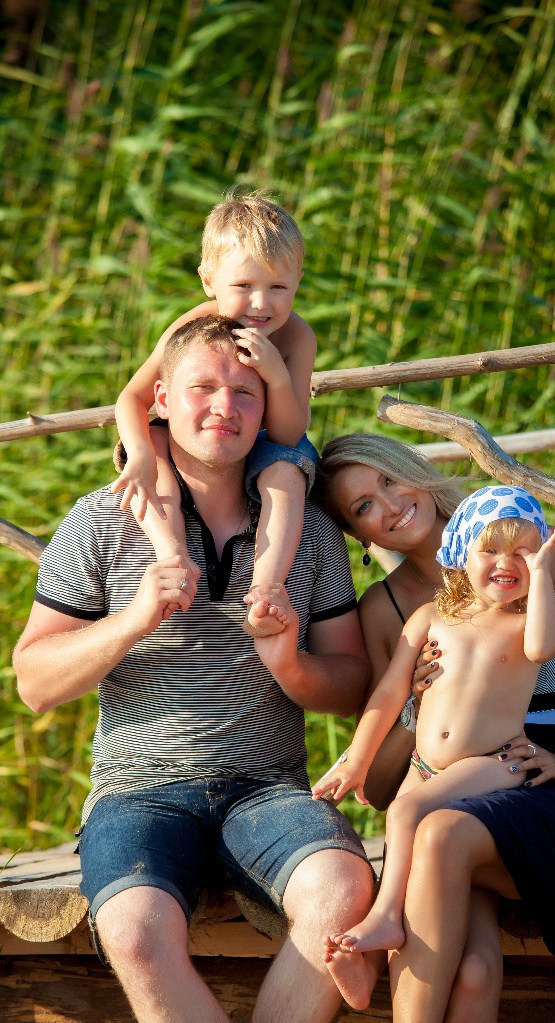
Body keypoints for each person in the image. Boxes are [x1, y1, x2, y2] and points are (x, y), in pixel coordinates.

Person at [12, 316, 379, 1023]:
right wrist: (134, 618)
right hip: (137, 792)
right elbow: (33, 680)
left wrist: (291, 664)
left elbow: (352, 682)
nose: (226, 407)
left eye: (246, 391)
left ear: (268, 407)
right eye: (203, 387)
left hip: (268, 789)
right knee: (134, 929)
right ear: (159, 398)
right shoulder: (98, 520)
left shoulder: (308, 534)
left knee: (340, 889)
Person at [316, 433, 555, 1023]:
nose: (390, 505)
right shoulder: (392, 612)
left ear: (416, 471)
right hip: (445, 786)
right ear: (358, 535)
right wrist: (416, 706)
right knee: (471, 972)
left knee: (442, 834)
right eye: (364, 506)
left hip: (544, 781)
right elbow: (382, 785)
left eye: (391, 479)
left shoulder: (535, 552)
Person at [312, 486, 555, 1004]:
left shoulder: (522, 627)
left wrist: (541, 577)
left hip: (494, 764)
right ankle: (373, 962)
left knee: (405, 814)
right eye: (490, 550)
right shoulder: (429, 618)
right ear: (460, 555)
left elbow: (545, 646)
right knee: (406, 817)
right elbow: (388, 692)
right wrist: (357, 762)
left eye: (523, 551)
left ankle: (383, 920)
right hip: (426, 765)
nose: (507, 562)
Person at [112, 188, 317, 637]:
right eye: (243, 287)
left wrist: (276, 375)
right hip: (192, 438)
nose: (261, 304)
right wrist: (141, 455)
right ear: (209, 281)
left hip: (262, 442)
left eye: (278, 287)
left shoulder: (297, 338)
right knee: (156, 445)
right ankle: (172, 554)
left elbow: (287, 432)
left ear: (298, 280)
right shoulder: (194, 324)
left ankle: (266, 588)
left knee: (287, 471)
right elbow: (132, 398)